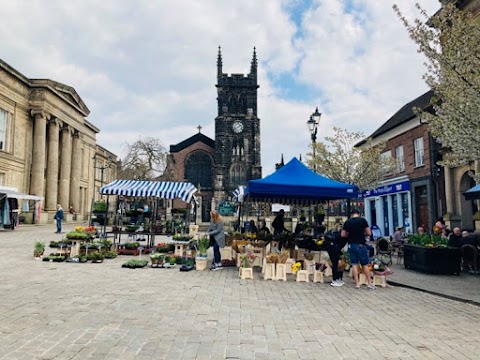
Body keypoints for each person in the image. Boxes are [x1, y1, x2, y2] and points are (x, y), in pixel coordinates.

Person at [341, 209, 375, 289]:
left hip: (351, 245)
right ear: (359, 214)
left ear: (352, 214)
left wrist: (350, 235)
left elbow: (343, 234)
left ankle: (357, 284)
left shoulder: (347, 222)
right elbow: (369, 233)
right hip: (360, 245)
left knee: (354, 264)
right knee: (365, 264)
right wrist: (363, 234)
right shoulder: (362, 221)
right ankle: (369, 283)